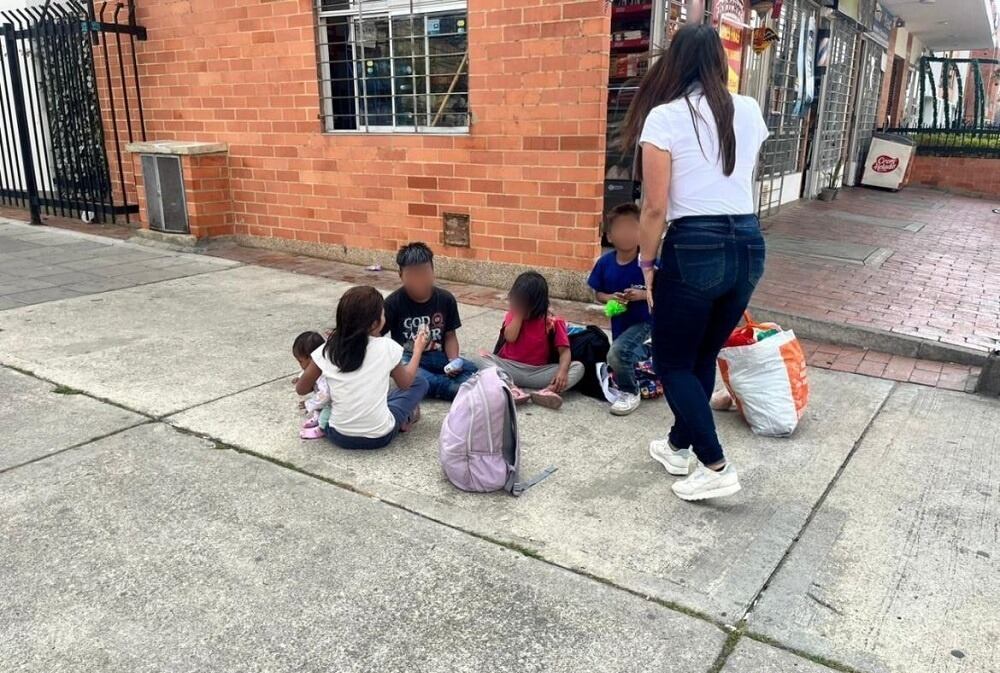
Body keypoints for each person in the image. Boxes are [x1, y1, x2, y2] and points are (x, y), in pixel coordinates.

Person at [620, 24, 770, 501]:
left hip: (695, 245)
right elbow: (738, 176)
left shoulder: (665, 117)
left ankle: (715, 464)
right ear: (719, 63)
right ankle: (677, 447)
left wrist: (646, 264)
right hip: (748, 241)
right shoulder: (748, 108)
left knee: (673, 362)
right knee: (701, 356)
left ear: (675, 63)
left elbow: (654, 208)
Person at [295, 285, 430, 450]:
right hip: (379, 436)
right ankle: (406, 418)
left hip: (338, 435)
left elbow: (301, 389)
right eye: (382, 314)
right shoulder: (386, 347)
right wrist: (418, 350)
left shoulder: (328, 349)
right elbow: (406, 383)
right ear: (375, 323)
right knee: (420, 383)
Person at [383, 242, 477, 401]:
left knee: (472, 368)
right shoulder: (393, 303)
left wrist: (453, 361)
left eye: (423, 273)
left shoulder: (445, 299)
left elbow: (450, 336)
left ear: (432, 272)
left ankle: (462, 386)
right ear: (401, 275)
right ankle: (460, 390)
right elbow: (376, 336)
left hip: (437, 356)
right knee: (419, 380)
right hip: (408, 359)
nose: (419, 280)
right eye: (412, 275)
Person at [478, 271, 584, 410]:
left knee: (578, 367)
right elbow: (510, 337)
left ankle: (547, 391)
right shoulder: (513, 315)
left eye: (525, 303)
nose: (519, 305)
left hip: (538, 372)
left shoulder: (553, 322)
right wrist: (519, 314)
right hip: (510, 368)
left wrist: (562, 372)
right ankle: (512, 388)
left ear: (537, 303)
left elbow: (564, 352)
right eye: (518, 301)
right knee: (480, 358)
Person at [588, 203, 651, 416]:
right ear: (609, 236)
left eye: (632, 228)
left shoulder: (648, 264)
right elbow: (598, 293)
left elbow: (665, 293)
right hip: (620, 321)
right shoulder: (605, 263)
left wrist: (642, 294)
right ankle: (651, 359)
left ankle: (630, 392)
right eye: (620, 229)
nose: (626, 234)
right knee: (620, 356)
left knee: (617, 353)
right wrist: (610, 298)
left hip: (645, 322)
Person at [292, 331, 331, 440]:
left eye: (300, 361)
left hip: (332, 402)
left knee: (326, 414)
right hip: (325, 400)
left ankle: (321, 429)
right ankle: (317, 418)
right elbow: (307, 372)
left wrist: (309, 403)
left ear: (312, 359)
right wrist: (300, 377)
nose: (300, 365)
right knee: (318, 408)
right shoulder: (316, 367)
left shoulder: (323, 375)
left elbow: (325, 396)